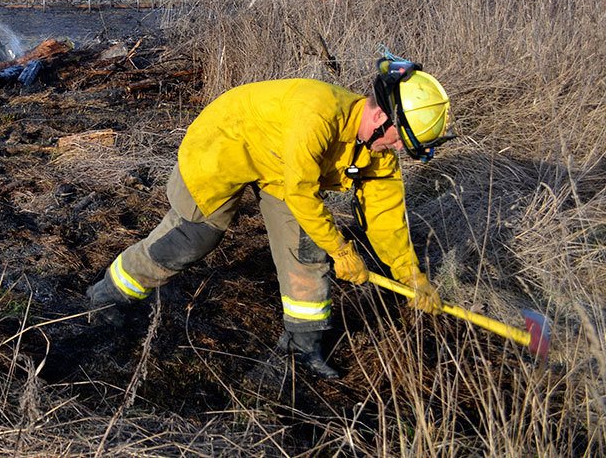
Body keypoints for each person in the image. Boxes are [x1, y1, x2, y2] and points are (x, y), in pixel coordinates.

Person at [84, 56, 453, 379]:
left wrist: (412, 276)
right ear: (379, 115)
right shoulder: (318, 114)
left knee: (306, 250)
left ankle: (300, 348)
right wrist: (341, 249)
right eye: (400, 138)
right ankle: (108, 295)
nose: (399, 148)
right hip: (225, 142)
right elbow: (301, 191)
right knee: (193, 237)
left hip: (280, 168)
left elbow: (386, 217)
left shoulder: (379, 153)